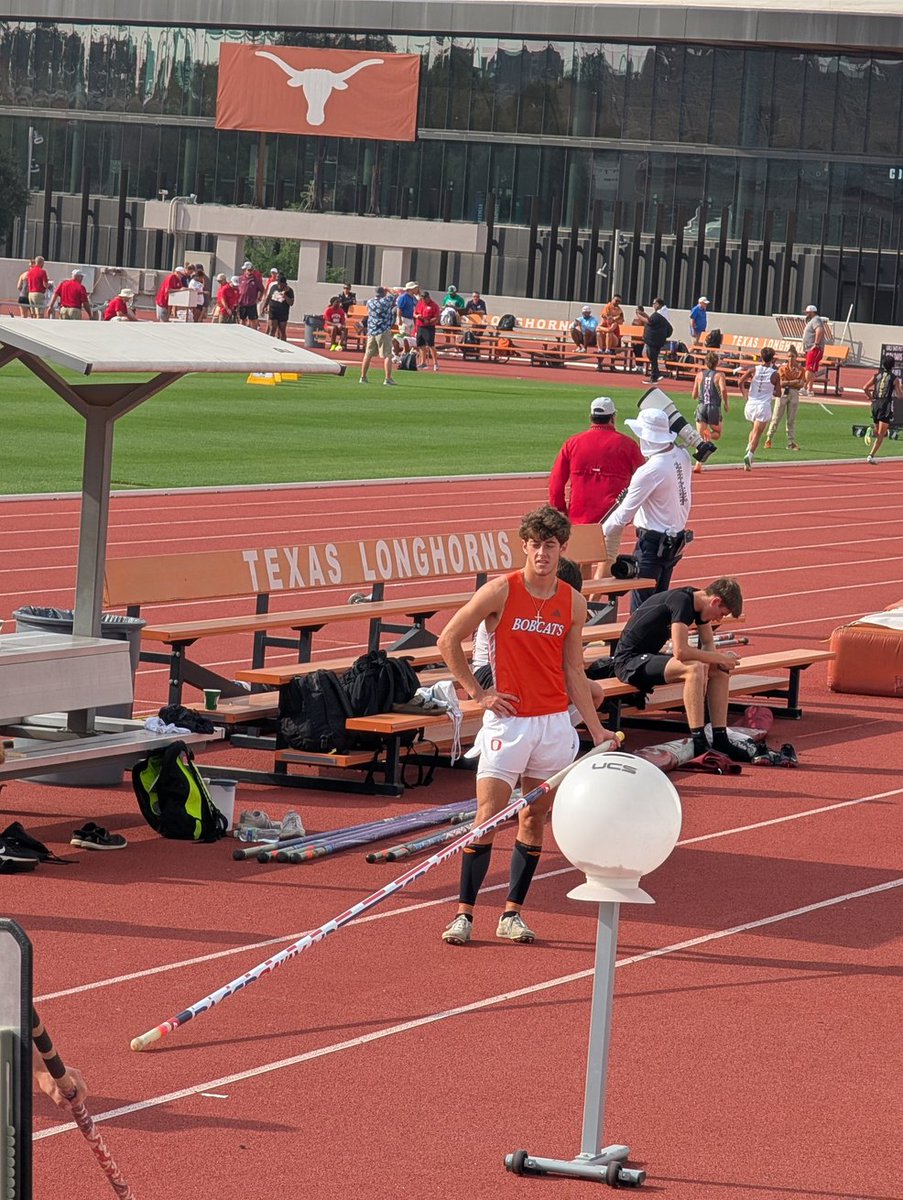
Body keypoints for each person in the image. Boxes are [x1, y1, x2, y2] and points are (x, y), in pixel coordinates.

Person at [436, 504, 612, 946]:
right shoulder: (501, 591)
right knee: (487, 817)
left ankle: (512, 913)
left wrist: (595, 730)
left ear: (561, 549)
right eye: (534, 546)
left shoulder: (572, 601)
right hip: (508, 725)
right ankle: (464, 914)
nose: (541, 554)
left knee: (533, 818)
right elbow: (447, 639)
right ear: (525, 546)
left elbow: (574, 671)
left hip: (553, 725)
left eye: (549, 546)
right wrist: (478, 695)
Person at [612, 577, 745, 760]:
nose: (719, 619)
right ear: (715, 601)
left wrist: (716, 662)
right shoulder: (682, 601)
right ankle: (699, 741)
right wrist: (717, 658)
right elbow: (681, 651)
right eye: (722, 613)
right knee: (694, 668)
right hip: (629, 662)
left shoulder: (699, 603)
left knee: (719, 669)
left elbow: (707, 644)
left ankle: (720, 737)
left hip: (650, 657)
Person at [601, 407, 694, 612]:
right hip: (673, 542)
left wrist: (595, 535)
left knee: (642, 612)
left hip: (651, 546)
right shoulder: (683, 456)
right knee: (659, 606)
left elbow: (624, 514)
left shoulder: (651, 470)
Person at [548, 395, 644, 532]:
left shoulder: (572, 443)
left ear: (591, 417)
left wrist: (560, 511)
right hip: (613, 519)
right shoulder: (628, 445)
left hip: (578, 519)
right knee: (608, 553)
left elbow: (556, 483)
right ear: (613, 417)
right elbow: (644, 481)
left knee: (577, 553)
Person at [738, 346, 780, 471]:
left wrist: (744, 394)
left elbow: (740, 382)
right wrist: (771, 389)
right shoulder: (775, 374)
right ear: (772, 359)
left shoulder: (753, 369)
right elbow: (778, 393)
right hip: (763, 406)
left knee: (754, 429)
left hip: (750, 404)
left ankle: (748, 450)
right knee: (757, 434)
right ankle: (750, 454)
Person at [692, 350, 729, 473]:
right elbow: (723, 389)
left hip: (701, 406)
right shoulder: (720, 375)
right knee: (717, 433)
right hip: (713, 407)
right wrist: (726, 403)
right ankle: (709, 435)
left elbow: (694, 394)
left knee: (700, 438)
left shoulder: (699, 375)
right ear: (717, 362)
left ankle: (698, 464)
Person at [863, 354, 903, 464]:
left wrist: (871, 398)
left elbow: (865, 387)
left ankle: (870, 431)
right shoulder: (895, 379)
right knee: (882, 434)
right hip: (885, 405)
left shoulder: (876, 376)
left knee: (879, 432)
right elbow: (900, 396)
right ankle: (870, 456)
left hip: (875, 404)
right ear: (893, 366)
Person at [766, 345, 805, 451]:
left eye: (792, 356)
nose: (790, 358)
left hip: (794, 393)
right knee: (776, 417)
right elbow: (781, 383)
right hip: (783, 393)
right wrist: (794, 382)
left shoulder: (800, 369)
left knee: (791, 419)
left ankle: (790, 442)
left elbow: (801, 384)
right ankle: (769, 437)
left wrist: (793, 383)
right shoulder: (783, 368)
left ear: (796, 357)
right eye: (788, 356)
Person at [359, 285, 397, 385]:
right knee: (387, 355)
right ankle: (387, 378)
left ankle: (363, 377)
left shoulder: (370, 302)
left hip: (372, 331)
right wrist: (388, 289)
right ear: (383, 293)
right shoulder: (386, 301)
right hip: (383, 330)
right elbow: (396, 294)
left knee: (368, 354)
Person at [636, 298, 672, 382]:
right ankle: (655, 375)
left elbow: (650, 321)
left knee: (652, 357)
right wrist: (643, 313)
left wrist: (639, 316)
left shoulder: (660, 314)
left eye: (654, 303)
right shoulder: (662, 313)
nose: (653, 305)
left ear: (659, 304)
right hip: (657, 339)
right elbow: (651, 319)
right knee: (653, 358)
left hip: (654, 340)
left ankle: (656, 375)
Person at [800, 304, 828, 396]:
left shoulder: (816, 320)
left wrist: (816, 344)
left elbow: (819, 330)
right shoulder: (812, 320)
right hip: (810, 349)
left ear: (812, 312)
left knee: (809, 368)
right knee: (811, 369)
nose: (806, 314)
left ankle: (804, 387)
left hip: (814, 349)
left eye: (808, 312)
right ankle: (810, 389)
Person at [261, 272, 294, 340]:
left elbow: (291, 303)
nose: (279, 286)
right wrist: (264, 307)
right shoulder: (274, 287)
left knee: (282, 331)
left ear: (284, 284)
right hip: (273, 311)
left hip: (283, 313)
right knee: (272, 329)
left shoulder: (289, 291)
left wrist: (285, 296)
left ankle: (283, 343)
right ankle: (270, 343)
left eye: (281, 284)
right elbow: (269, 297)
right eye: (278, 284)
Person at [414, 289, 440, 371]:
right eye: (422, 298)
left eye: (425, 298)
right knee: (421, 345)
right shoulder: (420, 303)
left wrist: (429, 321)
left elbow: (436, 317)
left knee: (431, 345)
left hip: (429, 327)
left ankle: (435, 363)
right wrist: (417, 316)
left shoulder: (434, 305)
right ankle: (423, 362)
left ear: (428, 297)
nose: (423, 300)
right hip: (420, 326)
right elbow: (414, 313)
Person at [237, 261, 265, 327]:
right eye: (248, 270)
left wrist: (259, 297)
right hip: (242, 303)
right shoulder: (240, 278)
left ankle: (253, 333)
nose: (249, 272)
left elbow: (262, 289)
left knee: (253, 320)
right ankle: (242, 333)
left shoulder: (256, 280)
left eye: (251, 270)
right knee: (242, 319)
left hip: (251, 303)